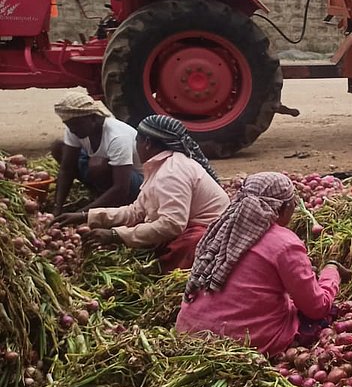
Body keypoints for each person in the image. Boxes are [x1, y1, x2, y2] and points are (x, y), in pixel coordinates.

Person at [177, 172, 349, 358]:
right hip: (239, 345)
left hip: (189, 334)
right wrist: (331, 272)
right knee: (327, 314)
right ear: (282, 208)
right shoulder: (284, 243)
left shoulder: (220, 229)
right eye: (292, 202)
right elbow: (316, 307)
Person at [56, 115, 228, 271]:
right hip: (187, 225)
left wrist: (116, 235)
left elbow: (172, 225)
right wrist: (86, 216)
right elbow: (136, 211)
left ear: (147, 143)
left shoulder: (171, 172)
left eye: (136, 141)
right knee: (141, 229)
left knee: (187, 245)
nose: (135, 146)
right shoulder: (158, 166)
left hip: (211, 233)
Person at [50, 92, 143, 215]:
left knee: (98, 165)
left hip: (137, 185)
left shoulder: (117, 137)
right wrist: (57, 207)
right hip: (109, 176)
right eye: (69, 125)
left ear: (93, 118)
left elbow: (121, 188)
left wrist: (82, 214)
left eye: (75, 125)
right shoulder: (76, 127)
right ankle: (100, 196)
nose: (72, 130)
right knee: (58, 148)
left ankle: (112, 204)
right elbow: (67, 168)